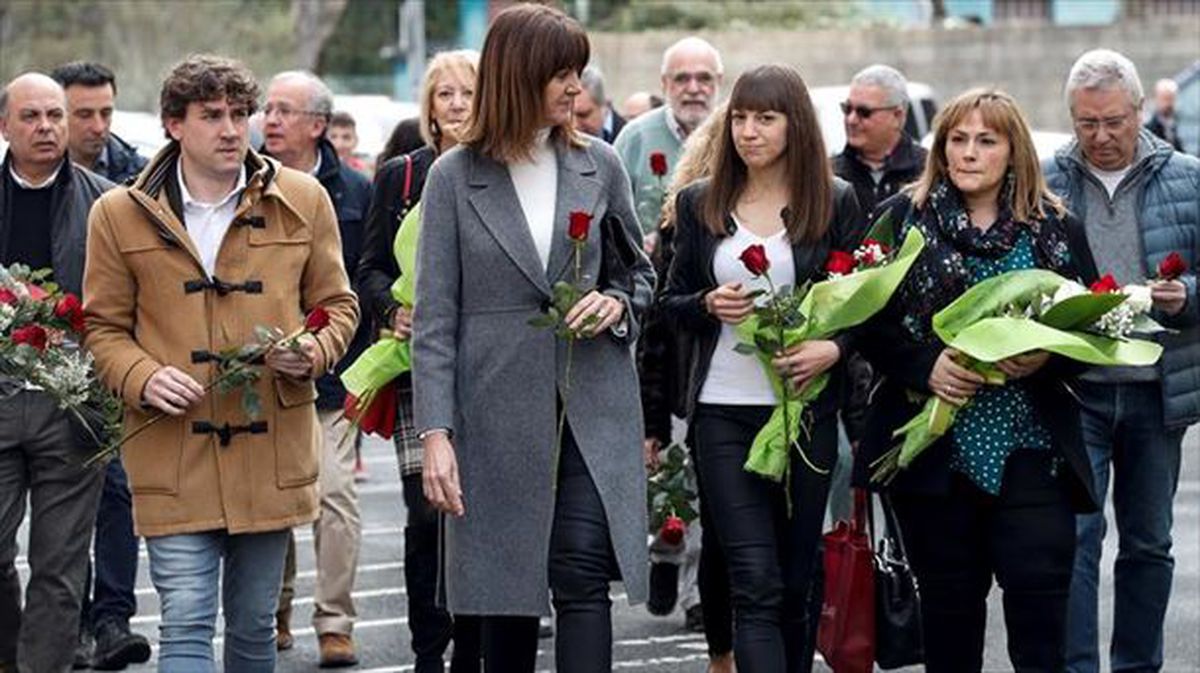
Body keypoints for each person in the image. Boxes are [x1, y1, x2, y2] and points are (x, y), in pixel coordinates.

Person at [82, 54, 359, 672]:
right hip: (171, 448)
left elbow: (338, 305)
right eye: (213, 116)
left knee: (256, 627)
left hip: (271, 450)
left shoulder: (304, 199)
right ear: (174, 124)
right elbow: (101, 328)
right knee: (184, 622)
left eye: (241, 114)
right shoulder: (117, 213)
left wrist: (312, 350)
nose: (233, 129)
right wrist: (143, 376)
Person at [412, 5, 655, 671]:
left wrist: (614, 303)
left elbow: (639, 271)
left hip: (589, 400)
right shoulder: (453, 176)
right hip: (490, 410)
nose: (576, 88)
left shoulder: (599, 163)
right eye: (562, 74)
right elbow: (434, 318)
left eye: (577, 73)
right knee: (503, 597)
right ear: (521, 76)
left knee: (580, 576)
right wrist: (435, 434)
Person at [856, 88, 1103, 672]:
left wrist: (1048, 357)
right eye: (957, 140)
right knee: (949, 624)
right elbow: (860, 321)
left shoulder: (1055, 229)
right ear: (939, 149)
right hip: (935, 455)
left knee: (1042, 628)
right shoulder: (900, 218)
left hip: (1032, 451)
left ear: (1013, 151)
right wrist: (925, 366)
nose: (968, 153)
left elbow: (1094, 330)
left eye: (986, 141)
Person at [661, 64, 864, 673]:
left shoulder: (836, 202)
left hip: (805, 415)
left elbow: (867, 305)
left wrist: (835, 348)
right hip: (723, 411)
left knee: (798, 581)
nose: (749, 131)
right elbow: (668, 304)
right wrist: (705, 303)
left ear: (794, 124)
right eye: (742, 117)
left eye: (766, 118)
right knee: (754, 579)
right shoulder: (702, 203)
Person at [1043, 50, 1200, 673]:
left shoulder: (1189, 178)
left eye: (1114, 122)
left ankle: (1138, 665)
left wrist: (1189, 294)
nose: (1101, 137)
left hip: (1156, 391)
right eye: (1086, 124)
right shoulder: (1046, 183)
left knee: (1148, 543)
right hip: (1074, 389)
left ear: (1140, 112)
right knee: (1076, 542)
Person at [357, 49, 483, 673]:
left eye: (467, 93)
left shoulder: (505, 171)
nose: (456, 105)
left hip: (490, 365)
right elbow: (370, 266)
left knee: (481, 510)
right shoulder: (402, 175)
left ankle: (476, 643)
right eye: (444, 95)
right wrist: (389, 308)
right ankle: (429, 649)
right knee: (427, 512)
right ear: (428, 106)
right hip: (417, 365)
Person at [260, 69, 372, 666]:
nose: (269, 120)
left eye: (284, 110)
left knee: (334, 495)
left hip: (335, 377)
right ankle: (273, 613)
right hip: (261, 375)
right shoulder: (245, 184)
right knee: (275, 498)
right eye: (267, 109)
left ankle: (335, 623)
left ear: (318, 124)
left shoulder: (355, 192)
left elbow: (370, 281)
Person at [0, 72, 110, 673]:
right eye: (32, 117)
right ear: (5, 127)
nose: (47, 128)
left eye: (55, 116)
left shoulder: (106, 202)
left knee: (59, 565)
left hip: (75, 401)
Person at [47, 60, 153, 671]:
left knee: (116, 493)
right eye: (81, 113)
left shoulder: (135, 178)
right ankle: (76, 621)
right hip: (41, 366)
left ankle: (112, 619)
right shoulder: (35, 183)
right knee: (61, 504)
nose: (95, 126)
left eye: (104, 112)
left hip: (112, 366)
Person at [639, 102, 734, 673]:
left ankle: (701, 595)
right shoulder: (685, 220)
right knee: (684, 495)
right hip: (687, 386)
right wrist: (651, 419)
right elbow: (657, 328)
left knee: (716, 512)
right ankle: (667, 557)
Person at [614, 37, 723, 236]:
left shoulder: (735, 135)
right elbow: (612, 215)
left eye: (704, 78)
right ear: (664, 83)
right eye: (681, 79)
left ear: (719, 81)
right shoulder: (635, 137)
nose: (693, 89)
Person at [50, 61, 148, 185]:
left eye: (106, 113)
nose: (98, 127)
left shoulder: (144, 177)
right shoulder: (28, 172)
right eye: (85, 115)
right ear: (55, 115)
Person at [575, 66, 625, 143]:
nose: (574, 124)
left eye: (583, 115)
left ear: (605, 106)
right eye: (568, 116)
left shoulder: (627, 138)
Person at [1144, 77, 1185, 153]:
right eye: (1165, 99)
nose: (1168, 104)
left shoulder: (1176, 124)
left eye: (1171, 99)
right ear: (1157, 99)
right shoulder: (1149, 128)